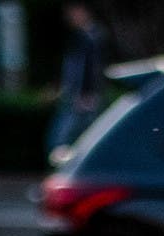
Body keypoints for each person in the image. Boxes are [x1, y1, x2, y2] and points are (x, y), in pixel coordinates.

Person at [48, 3, 107, 157]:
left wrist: (87, 92)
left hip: (84, 97)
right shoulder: (81, 37)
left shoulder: (92, 38)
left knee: (63, 138)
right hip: (79, 95)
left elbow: (91, 69)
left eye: (72, 13)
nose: (69, 18)